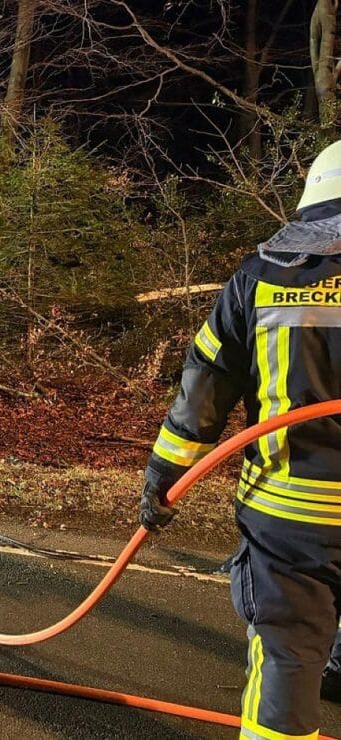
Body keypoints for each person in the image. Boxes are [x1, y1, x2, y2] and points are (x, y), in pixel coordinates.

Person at [139, 141, 341, 739]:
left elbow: (203, 394)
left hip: (291, 512)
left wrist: (162, 480)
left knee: (285, 652)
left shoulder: (263, 277)